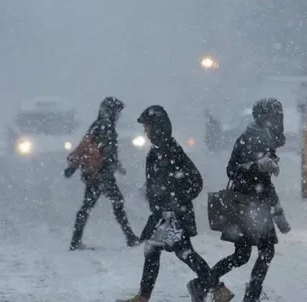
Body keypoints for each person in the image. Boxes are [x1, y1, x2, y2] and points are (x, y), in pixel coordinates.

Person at [119, 105, 214, 302]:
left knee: (167, 251)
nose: (145, 131)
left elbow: (195, 180)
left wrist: (175, 201)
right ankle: (217, 287)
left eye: (147, 126)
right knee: (172, 251)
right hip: (167, 213)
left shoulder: (169, 149)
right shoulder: (160, 149)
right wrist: (150, 190)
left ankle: (217, 288)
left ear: (157, 126)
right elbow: (165, 180)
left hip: (172, 215)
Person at [203, 98, 289, 302]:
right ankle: (251, 296)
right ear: (263, 117)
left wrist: (278, 213)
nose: (278, 120)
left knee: (242, 255)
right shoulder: (250, 138)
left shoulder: (264, 137)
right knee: (263, 252)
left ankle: (203, 284)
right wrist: (256, 167)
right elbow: (233, 170)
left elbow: (264, 182)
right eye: (274, 116)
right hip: (248, 206)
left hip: (254, 205)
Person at [65, 97, 138, 250]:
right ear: (109, 112)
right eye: (116, 112)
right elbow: (106, 153)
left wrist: (74, 166)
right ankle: (130, 237)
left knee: (87, 206)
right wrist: (110, 167)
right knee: (117, 202)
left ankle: (75, 241)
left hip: (93, 173)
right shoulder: (105, 128)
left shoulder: (97, 126)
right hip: (102, 174)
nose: (118, 115)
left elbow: (86, 147)